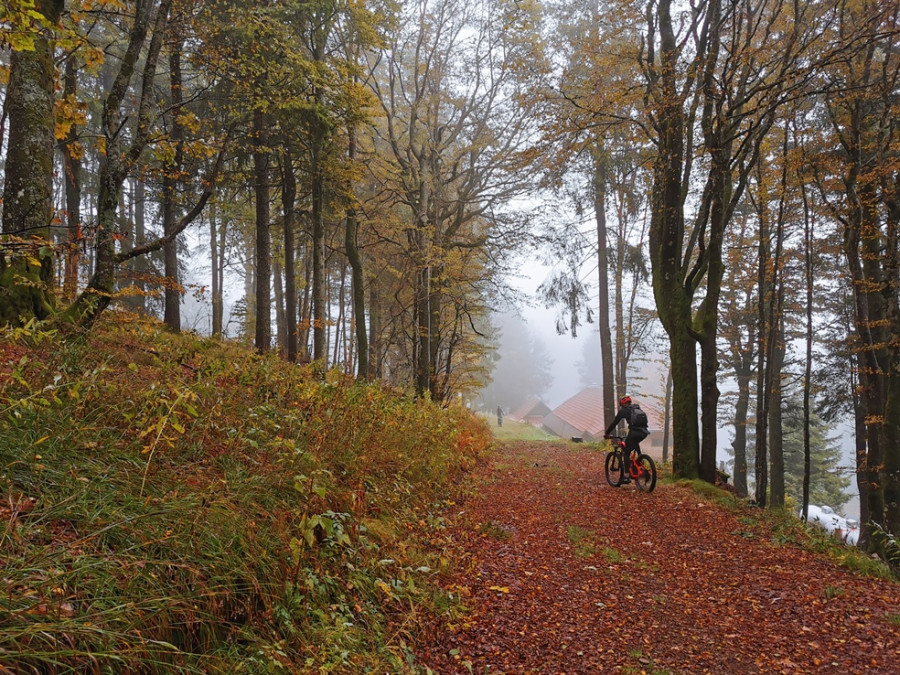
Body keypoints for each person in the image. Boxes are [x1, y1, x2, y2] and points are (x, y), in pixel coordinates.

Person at [604, 395, 649, 482]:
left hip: (634, 432)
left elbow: (614, 423)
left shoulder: (623, 411)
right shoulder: (637, 409)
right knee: (635, 443)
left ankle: (626, 476)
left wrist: (607, 433)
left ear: (622, 404)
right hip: (644, 432)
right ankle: (640, 461)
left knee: (626, 452)